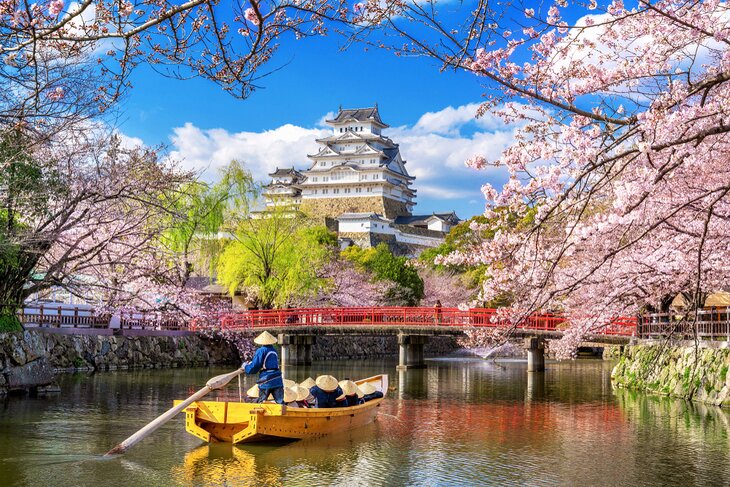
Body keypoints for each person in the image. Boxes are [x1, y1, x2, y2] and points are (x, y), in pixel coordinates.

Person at [242, 330, 284, 404]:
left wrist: (246, 367)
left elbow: (255, 366)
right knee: (280, 402)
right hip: (277, 379)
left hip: (266, 380)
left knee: (261, 402)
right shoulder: (274, 350)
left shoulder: (261, 350)